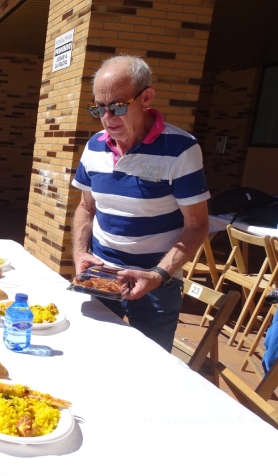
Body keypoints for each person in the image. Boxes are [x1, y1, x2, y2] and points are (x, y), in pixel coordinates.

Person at [71, 55, 210, 352]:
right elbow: (86, 207)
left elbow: (197, 225)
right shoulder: (94, 145)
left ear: (146, 97)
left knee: (150, 366)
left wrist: (158, 275)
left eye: (118, 106)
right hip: (102, 275)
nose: (107, 118)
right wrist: (80, 253)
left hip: (156, 283)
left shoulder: (181, 149)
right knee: (93, 355)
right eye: (99, 108)